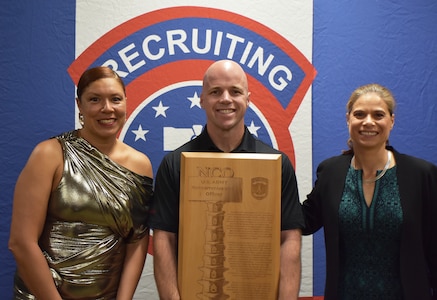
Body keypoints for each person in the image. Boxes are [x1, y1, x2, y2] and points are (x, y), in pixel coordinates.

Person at [149, 59, 304, 300]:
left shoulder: (276, 165)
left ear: (248, 99)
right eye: (215, 92)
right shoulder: (175, 164)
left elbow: (290, 239)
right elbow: (164, 239)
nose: (225, 99)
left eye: (235, 91)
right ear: (202, 99)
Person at [8, 66, 154, 300]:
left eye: (115, 99)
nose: (107, 108)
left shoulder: (140, 165)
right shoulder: (49, 155)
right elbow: (21, 243)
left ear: (126, 102)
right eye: (95, 99)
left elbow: (136, 240)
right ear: (80, 105)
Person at [302, 83, 437, 300]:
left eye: (378, 115)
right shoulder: (331, 172)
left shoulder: (422, 175)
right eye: (359, 114)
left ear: (391, 120)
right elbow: (302, 222)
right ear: (348, 119)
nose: (368, 122)